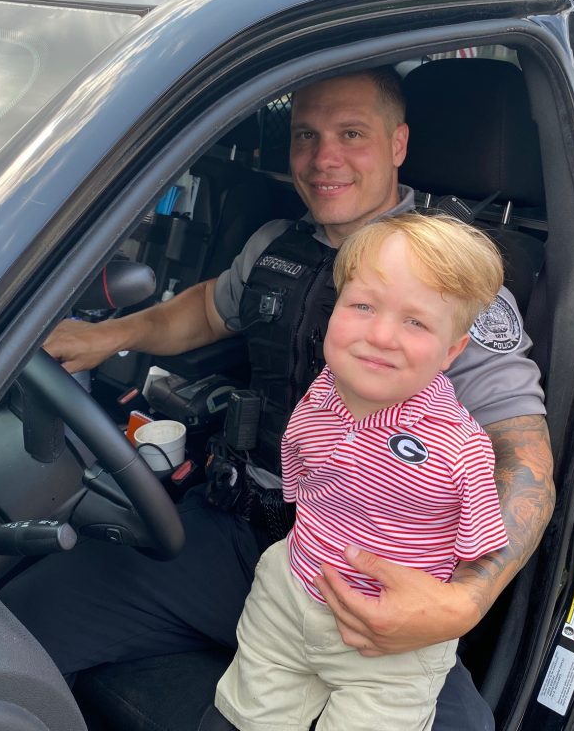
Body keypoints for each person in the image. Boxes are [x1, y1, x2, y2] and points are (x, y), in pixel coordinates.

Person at [0, 66, 555, 731]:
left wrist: (464, 601)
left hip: (370, 568)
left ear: (399, 144)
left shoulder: (452, 277)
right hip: (234, 530)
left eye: (352, 134)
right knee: (6, 632)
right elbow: (206, 310)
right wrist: (105, 336)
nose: (323, 159)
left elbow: (523, 458)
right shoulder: (275, 245)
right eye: (305, 136)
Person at [215, 213, 510, 730]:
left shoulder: (460, 449)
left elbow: (480, 550)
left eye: (415, 322)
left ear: (452, 351)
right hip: (289, 593)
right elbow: (300, 475)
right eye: (362, 306)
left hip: (388, 642)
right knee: (249, 716)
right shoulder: (322, 390)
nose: (380, 335)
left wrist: (453, 605)